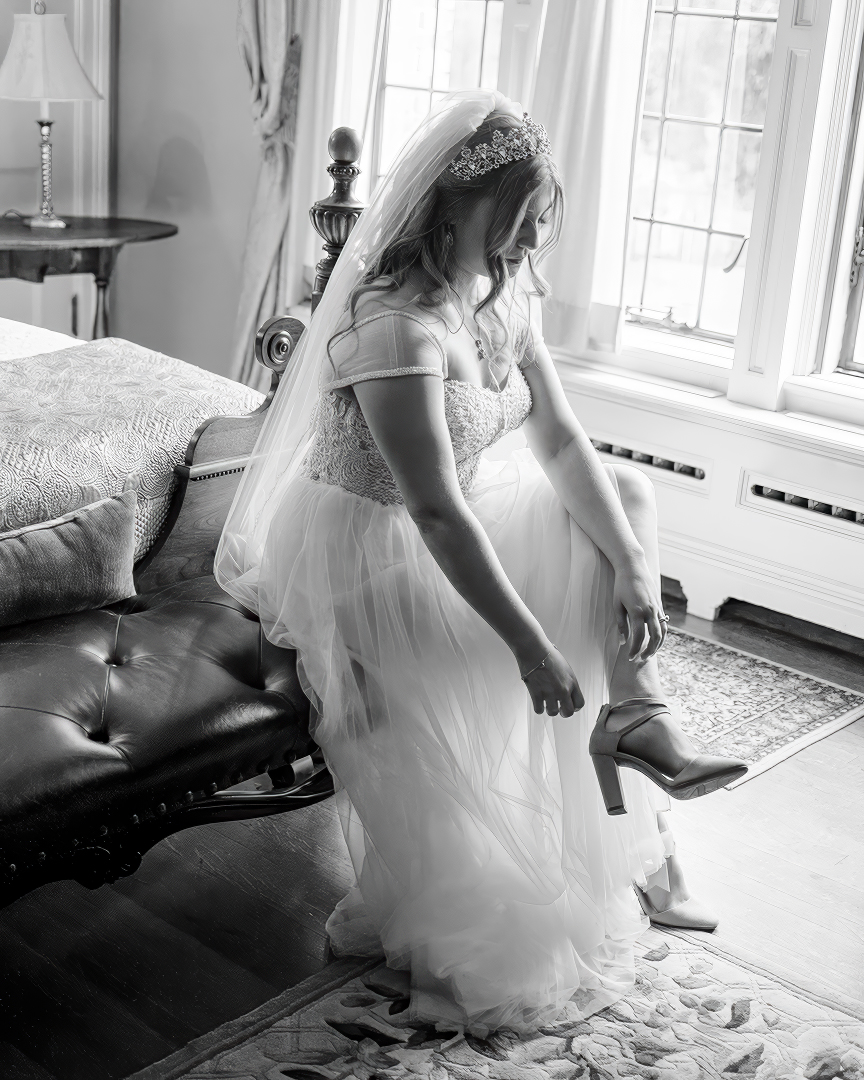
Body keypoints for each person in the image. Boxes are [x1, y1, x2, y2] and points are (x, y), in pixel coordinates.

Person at [215, 90, 747, 1036]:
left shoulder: (501, 291)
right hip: (371, 551)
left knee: (619, 506)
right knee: (558, 617)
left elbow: (563, 443)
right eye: (514, 224)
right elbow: (434, 512)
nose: (527, 247)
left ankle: (635, 713)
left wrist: (632, 567)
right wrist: (529, 645)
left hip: (453, 516)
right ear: (451, 209)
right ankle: (630, 814)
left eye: (537, 227)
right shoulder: (392, 328)